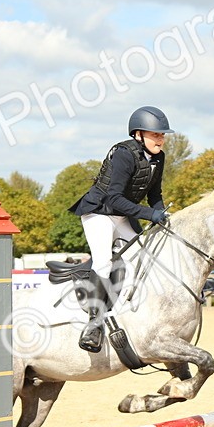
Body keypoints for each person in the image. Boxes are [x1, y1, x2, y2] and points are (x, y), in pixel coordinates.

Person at [69, 106, 172, 352]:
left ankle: (133, 310)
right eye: (156, 134)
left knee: (144, 257)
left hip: (123, 214)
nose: (161, 139)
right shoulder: (124, 154)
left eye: (162, 135)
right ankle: (93, 324)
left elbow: (154, 195)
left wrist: (164, 215)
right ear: (138, 134)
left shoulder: (159, 157)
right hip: (100, 212)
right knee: (104, 261)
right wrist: (150, 215)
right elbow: (114, 198)